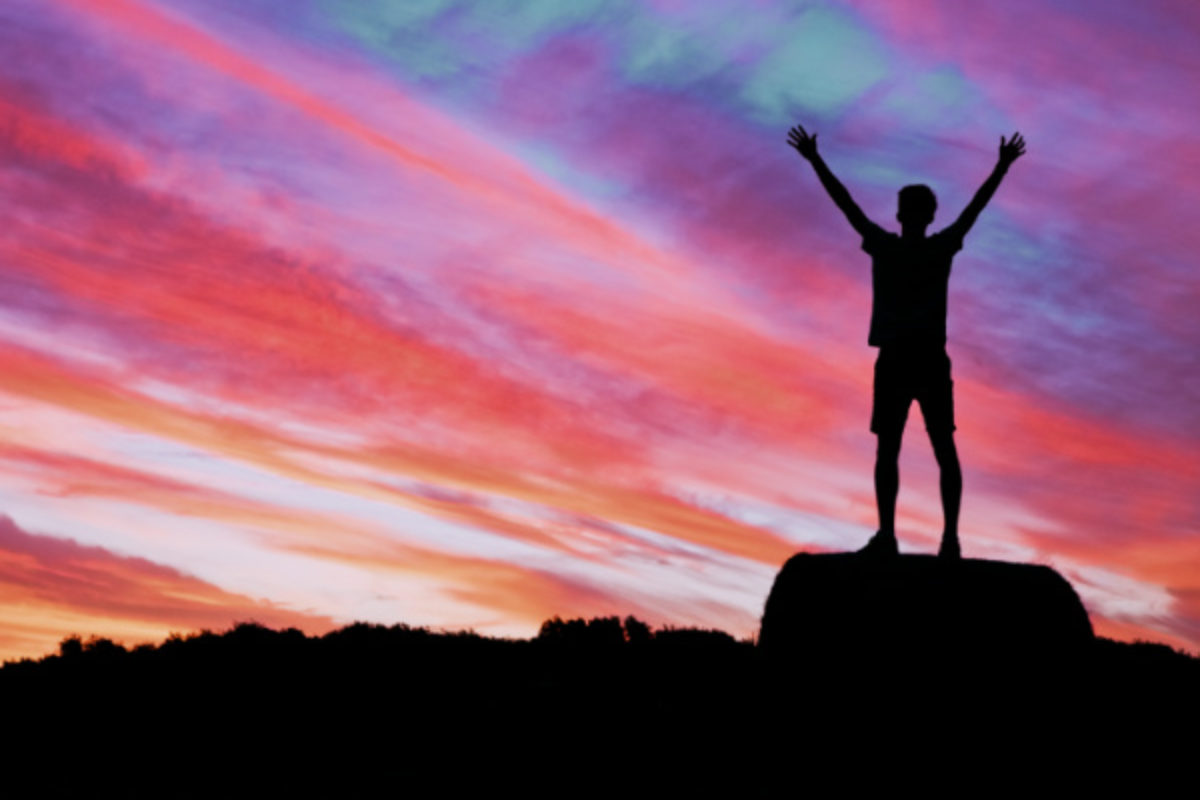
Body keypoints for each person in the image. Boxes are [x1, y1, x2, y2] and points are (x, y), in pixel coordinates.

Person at [787, 124, 1025, 558]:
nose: (910, 214)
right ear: (923, 215)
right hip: (914, 357)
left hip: (910, 357)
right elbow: (974, 208)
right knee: (927, 448)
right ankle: (921, 537)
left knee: (907, 449)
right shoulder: (929, 246)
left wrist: (815, 160)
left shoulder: (896, 246)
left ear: (904, 214)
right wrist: (1002, 166)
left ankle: (912, 536)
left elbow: (847, 206)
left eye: (910, 208)